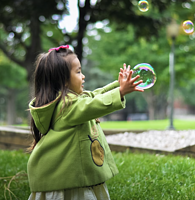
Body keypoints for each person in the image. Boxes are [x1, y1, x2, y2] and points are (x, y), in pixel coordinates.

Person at [27, 45, 144, 200]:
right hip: (69, 183)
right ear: (64, 81)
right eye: (78, 72)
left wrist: (118, 85)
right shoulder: (67, 106)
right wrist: (120, 92)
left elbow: (95, 95)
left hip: (72, 177)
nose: (83, 76)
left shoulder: (69, 100)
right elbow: (94, 104)